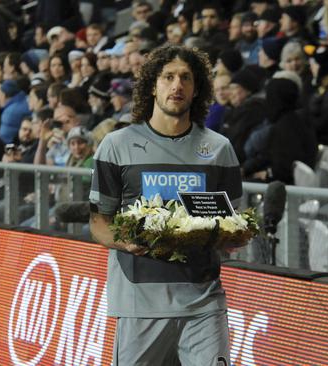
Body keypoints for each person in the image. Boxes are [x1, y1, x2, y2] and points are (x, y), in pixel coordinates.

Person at [89, 45, 243, 365]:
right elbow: (98, 223)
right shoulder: (116, 146)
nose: (177, 86)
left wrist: (230, 235)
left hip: (203, 303)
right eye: (168, 77)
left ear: (197, 88)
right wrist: (126, 242)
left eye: (186, 78)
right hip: (139, 305)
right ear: (152, 85)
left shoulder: (219, 149)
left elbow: (234, 226)